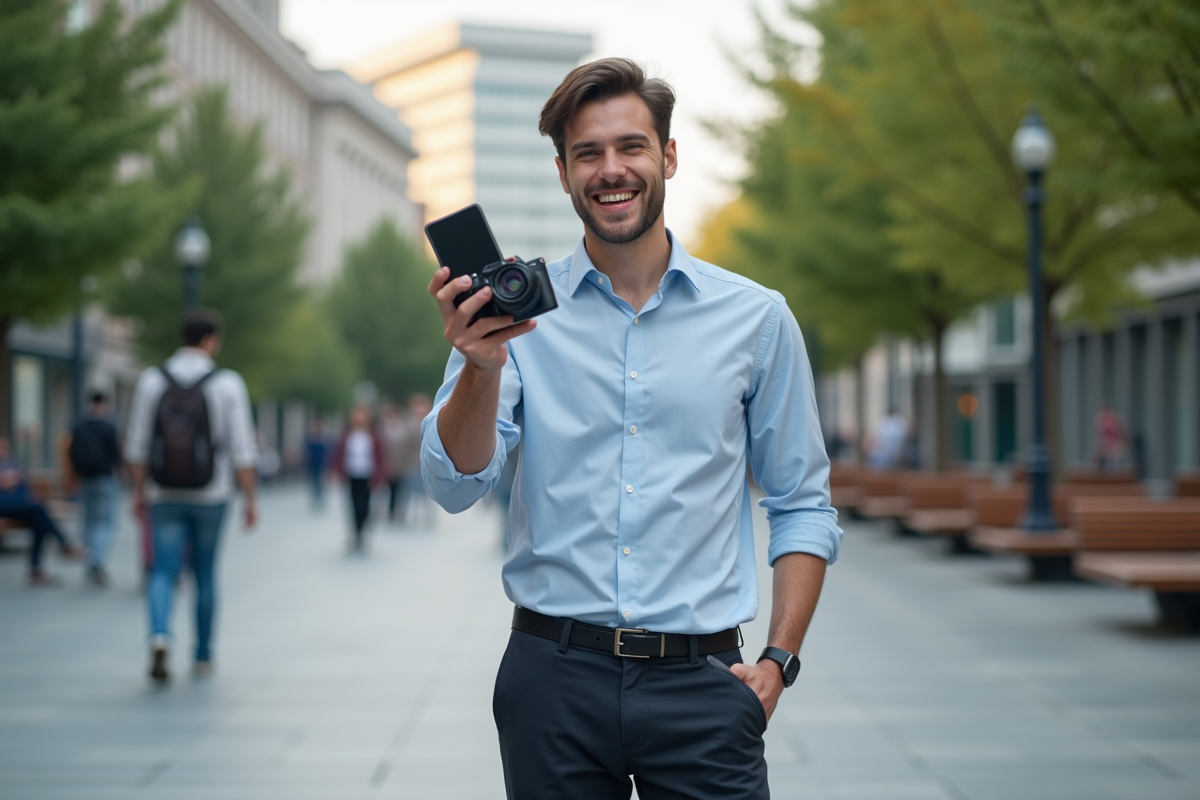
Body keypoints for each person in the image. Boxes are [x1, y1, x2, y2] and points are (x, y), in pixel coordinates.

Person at [421, 59, 841, 799]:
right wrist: (480, 368)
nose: (611, 170)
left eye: (631, 147)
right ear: (562, 173)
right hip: (552, 681)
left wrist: (778, 662)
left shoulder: (757, 318)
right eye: (588, 153)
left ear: (668, 156)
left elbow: (802, 501)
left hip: (705, 686)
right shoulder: (513, 319)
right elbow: (453, 484)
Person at [125, 308, 258, 684]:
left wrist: (139, 491)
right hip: (210, 494)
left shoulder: (152, 380)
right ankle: (202, 654)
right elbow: (242, 448)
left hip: (162, 492)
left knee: (162, 571)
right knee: (205, 573)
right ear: (211, 339)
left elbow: (136, 444)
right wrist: (250, 499)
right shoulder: (227, 383)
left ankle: (159, 636)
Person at [0, 436, 82, 586]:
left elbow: (23, 480)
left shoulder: (11, 461)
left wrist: (13, 479)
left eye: (5, 447)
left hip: (18, 502)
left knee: (40, 520)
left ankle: (36, 570)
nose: (3, 450)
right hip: (4, 502)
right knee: (39, 509)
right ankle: (63, 545)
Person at [69, 392, 122, 586]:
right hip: (105, 478)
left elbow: (72, 453)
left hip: (85, 479)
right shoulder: (109, 426)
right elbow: (116, 454)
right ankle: (96, 560)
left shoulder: (78, 425)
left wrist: (74, 477)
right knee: (106, 522)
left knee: (89, 521)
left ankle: (90, 557)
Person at [331, 404, 385, 550]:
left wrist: (380, 475)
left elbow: (380, 456)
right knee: (353, 505)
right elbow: (339, 454)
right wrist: (336, 471)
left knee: (364, 506)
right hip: (351, 474)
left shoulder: (373, 436)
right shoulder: (347, 435)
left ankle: (362, 529)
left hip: (367, 475)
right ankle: (356, 534)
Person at [380, 404, 417, 524]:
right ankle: (389, 511)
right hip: (386, 465)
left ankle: (399, 512)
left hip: (402, 465)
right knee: (387, 490)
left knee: (401, 490)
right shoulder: (383, 429)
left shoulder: (404, 429)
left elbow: (409, 447)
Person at [1093, 402, 1127, 472]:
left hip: (1117, 443)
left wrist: (1116, 446)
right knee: (1096, 457)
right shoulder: (1100, 420)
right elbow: (1102, 437)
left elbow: (1122, 436)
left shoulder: (1116, 420)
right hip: (1106, 444)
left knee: (1114, 457)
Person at [304, 419, 329, 509]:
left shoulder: (324, 439)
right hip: (313, 463)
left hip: (322, 463)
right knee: (315, 481)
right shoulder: (310, 438)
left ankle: (320, 497)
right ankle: (316, 496)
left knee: (320, 481)